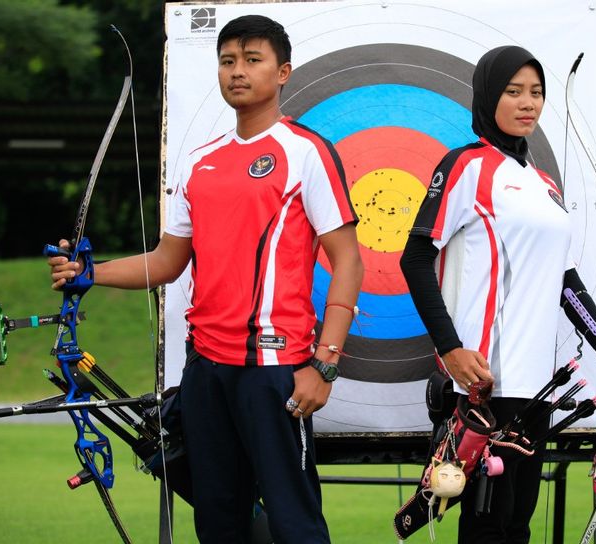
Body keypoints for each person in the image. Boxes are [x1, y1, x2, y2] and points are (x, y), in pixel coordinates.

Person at [49, 15, 363, 543]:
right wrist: (91, 272)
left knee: (294, 520)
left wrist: (324, 363)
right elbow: (167, 261)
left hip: (276, 370)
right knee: (218, 520)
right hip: (207, 371)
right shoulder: (200, 163)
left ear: (283, 72)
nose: (237, 71)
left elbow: (348, 259)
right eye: (227, 61)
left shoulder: (306, 153)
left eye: (252, 59)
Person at [399, 45, 596, 543]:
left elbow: (565, 281)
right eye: (513, 92)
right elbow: (415, 258)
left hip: (536, 388)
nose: (527, 102)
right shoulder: (466, 166)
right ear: (488, 97)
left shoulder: (544, 184)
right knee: (487, 525)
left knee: (518, 524)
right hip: (485, 382)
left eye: (536, 93)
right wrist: (452, 349)